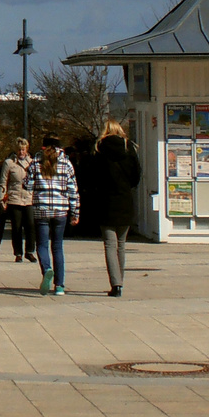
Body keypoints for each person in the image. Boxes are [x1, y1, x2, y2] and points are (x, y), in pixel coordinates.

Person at [93, 120, 142, 297]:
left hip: (106, 202)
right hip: (125, 201)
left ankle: (116, 284)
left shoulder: (100, 150)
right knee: (121, 244)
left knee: (109, 245)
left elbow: (94, 177)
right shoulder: (130, 150)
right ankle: (120, 281)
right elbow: (136, 176)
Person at [26, 135, 80, 295]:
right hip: (60, 210)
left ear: (43, 147)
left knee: (42, 245)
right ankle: (60, 286)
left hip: (41, 209)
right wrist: (75, 212)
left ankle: (47, 269)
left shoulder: (36, 162)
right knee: (57, 247)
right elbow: (73, 190)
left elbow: (27, 185)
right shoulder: (66, 164)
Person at [0, 138, 36, 263]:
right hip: (14, 198)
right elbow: (3, 181)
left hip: (29, 198)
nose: (21, 152)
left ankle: (30, 251)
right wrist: (1, 198)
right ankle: (18, 253)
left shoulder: (32, 162)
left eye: (23, 149)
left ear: (27, 149)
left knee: (30, 225)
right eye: (19, 150)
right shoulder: (9, 163)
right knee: (16, 227)